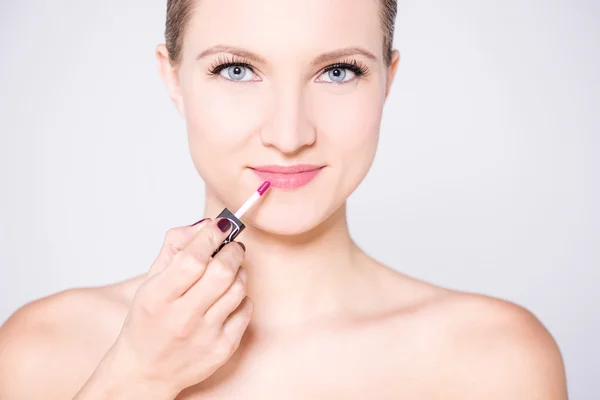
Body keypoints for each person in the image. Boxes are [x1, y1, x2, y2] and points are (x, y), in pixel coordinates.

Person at [0, 0, 568, 398]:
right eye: (238, 70)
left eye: (339, 71)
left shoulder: (496, 360)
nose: (290, 134)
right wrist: (135, 380)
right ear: (172, 78)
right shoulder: (41, 352)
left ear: (388, 81)